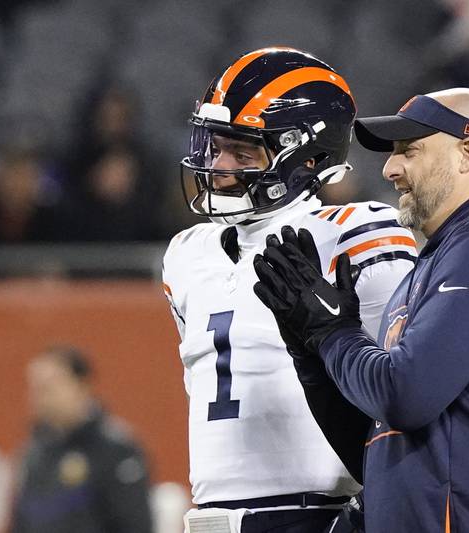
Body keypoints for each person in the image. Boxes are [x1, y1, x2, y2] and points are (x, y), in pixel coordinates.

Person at [253, 88, 469, 532]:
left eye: (409, 150)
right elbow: (378, 447)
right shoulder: (431, 267)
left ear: (467, 154)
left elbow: (404, 396)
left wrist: (334, 333)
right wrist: (310, 350)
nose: (390, 169)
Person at [162, 47, 417, 531]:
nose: (218, 166)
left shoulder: (356, 232)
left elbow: (403, 387)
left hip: (318, 513)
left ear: (308, 158)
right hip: (209, 517)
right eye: (214, 146)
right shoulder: (187, 254)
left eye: (242, 151)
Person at [9, 345, 152, 533]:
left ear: (82, 386)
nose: (40, 395)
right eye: (36, 387)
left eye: (50, 386)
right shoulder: (32, 455)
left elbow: (135, 525)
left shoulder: (116, 450)